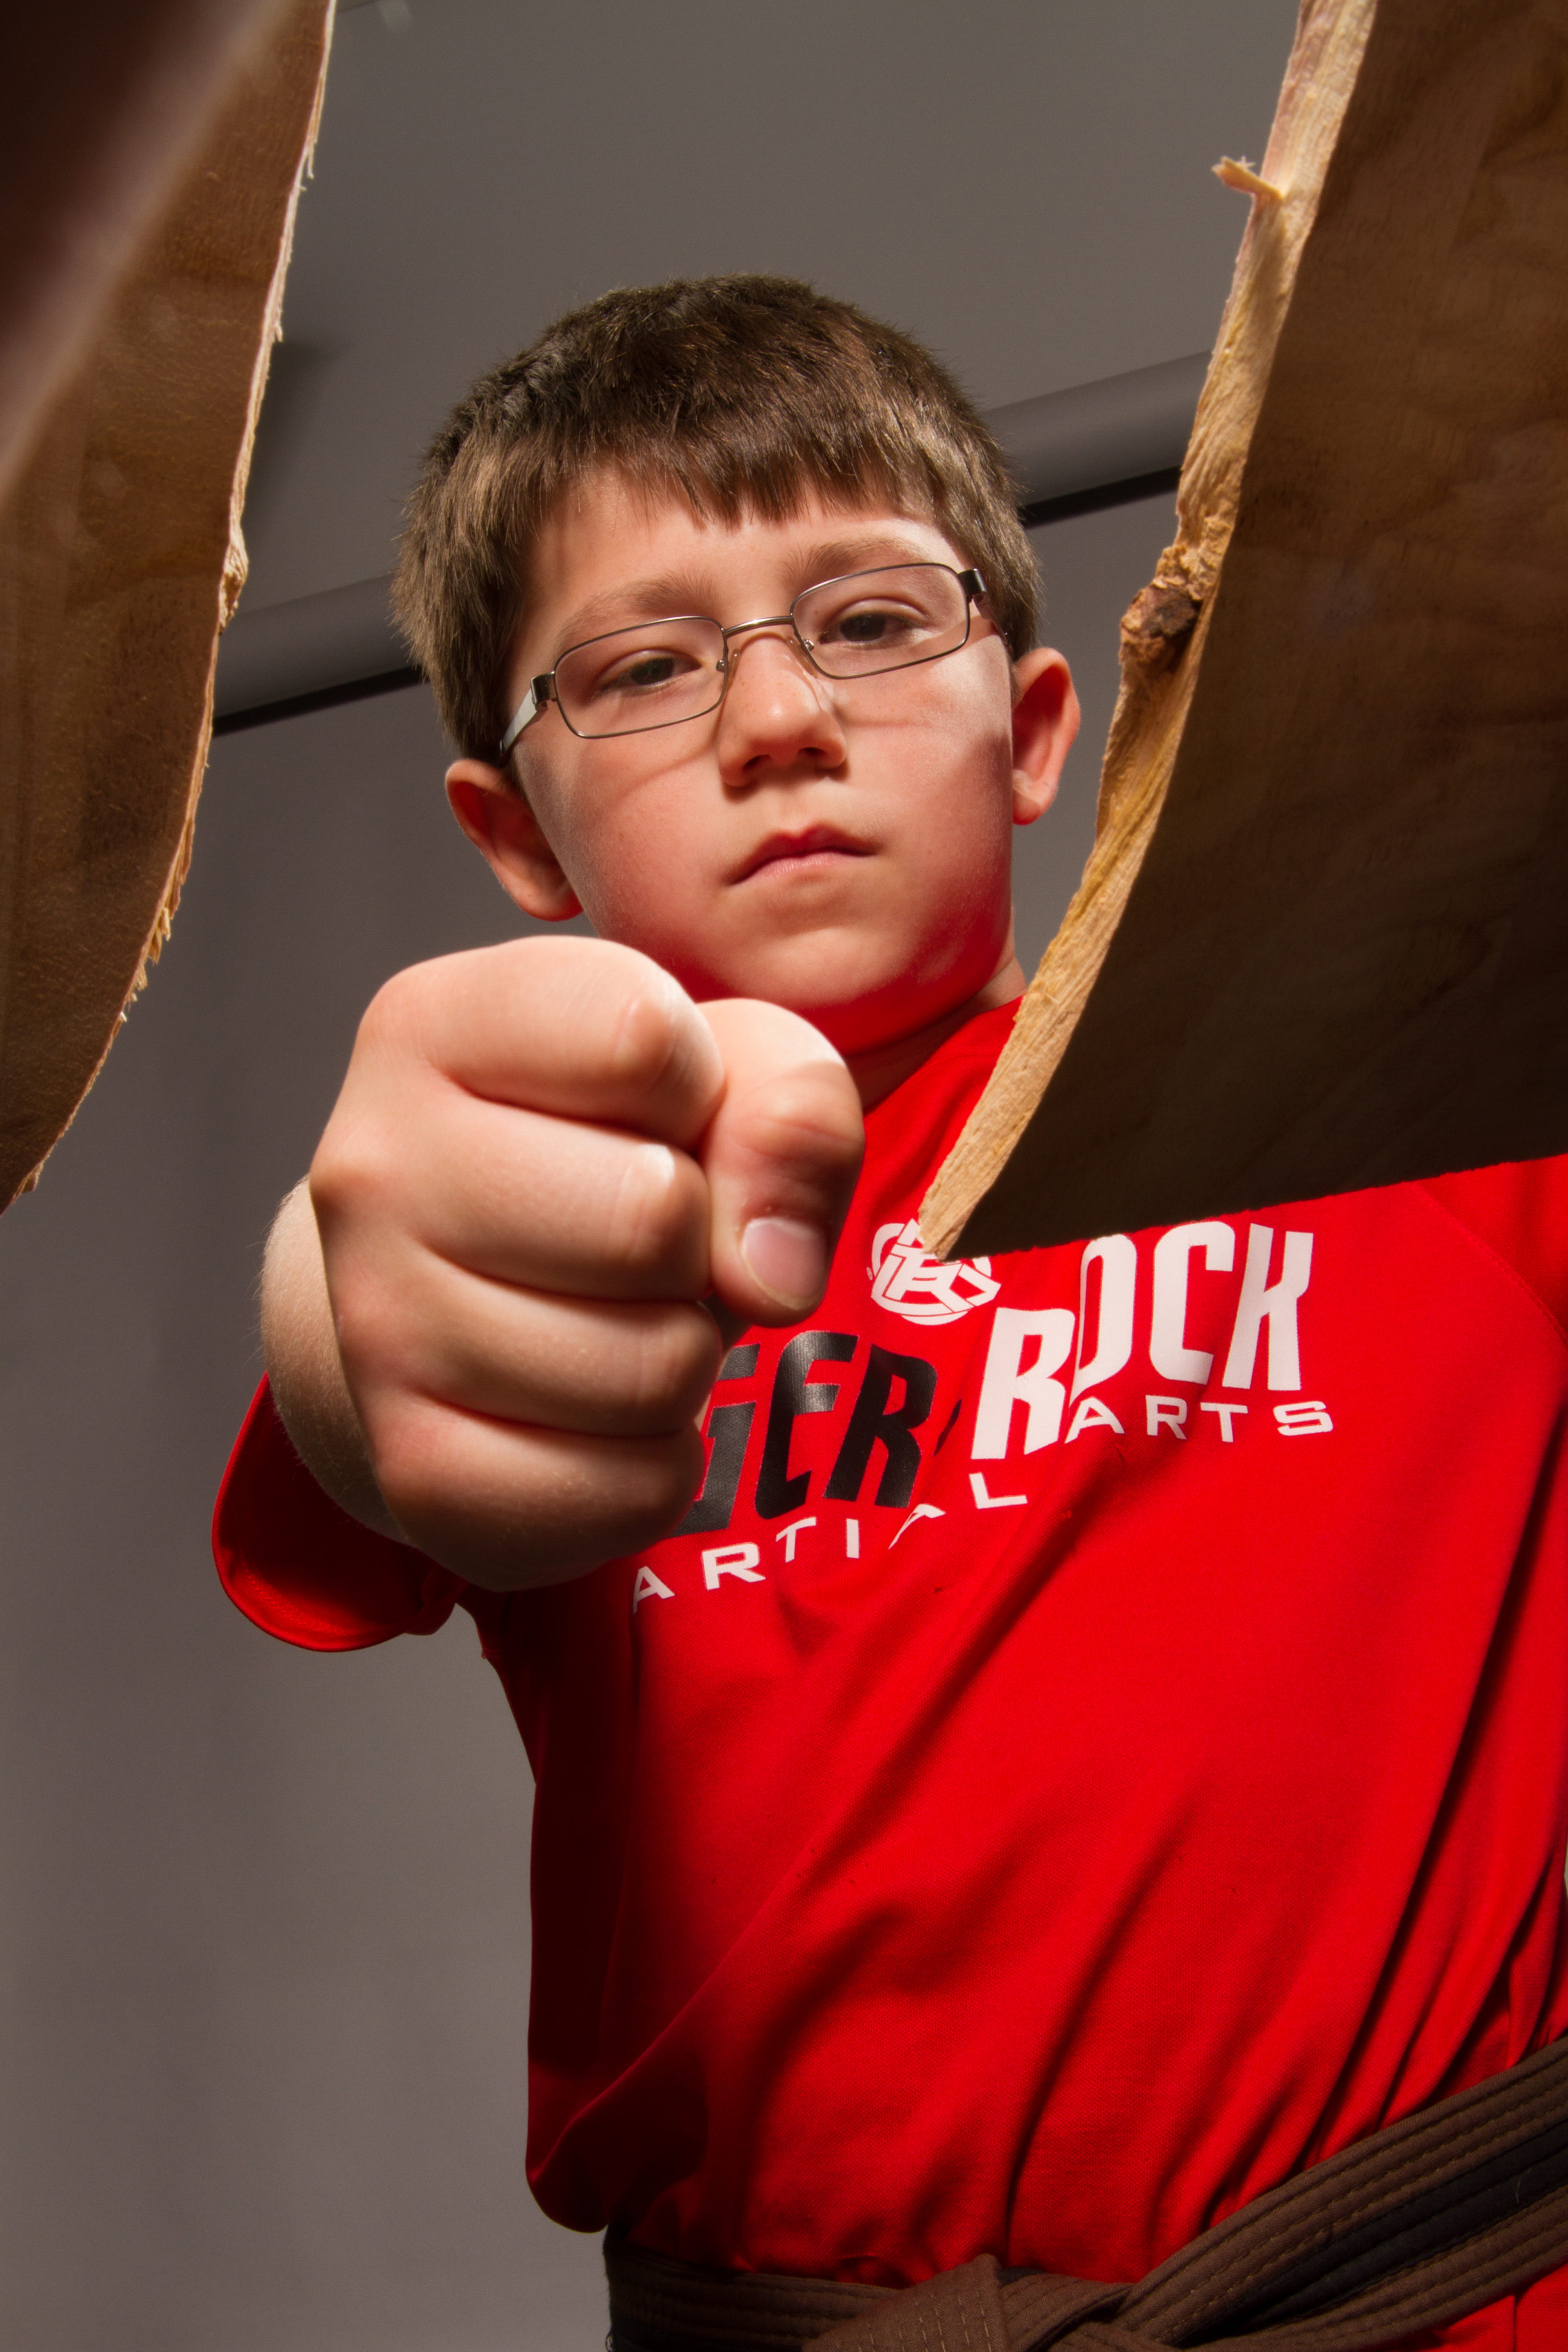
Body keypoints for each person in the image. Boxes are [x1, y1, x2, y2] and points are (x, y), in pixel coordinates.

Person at [214, 275, 1568, 2347]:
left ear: (1033, 732)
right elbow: (373, 1371)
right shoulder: (571, 1212)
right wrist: (338, 1280)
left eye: (867, 622)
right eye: (647, 667)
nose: (780, 719)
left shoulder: (1411, 1095)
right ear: (517, 835)